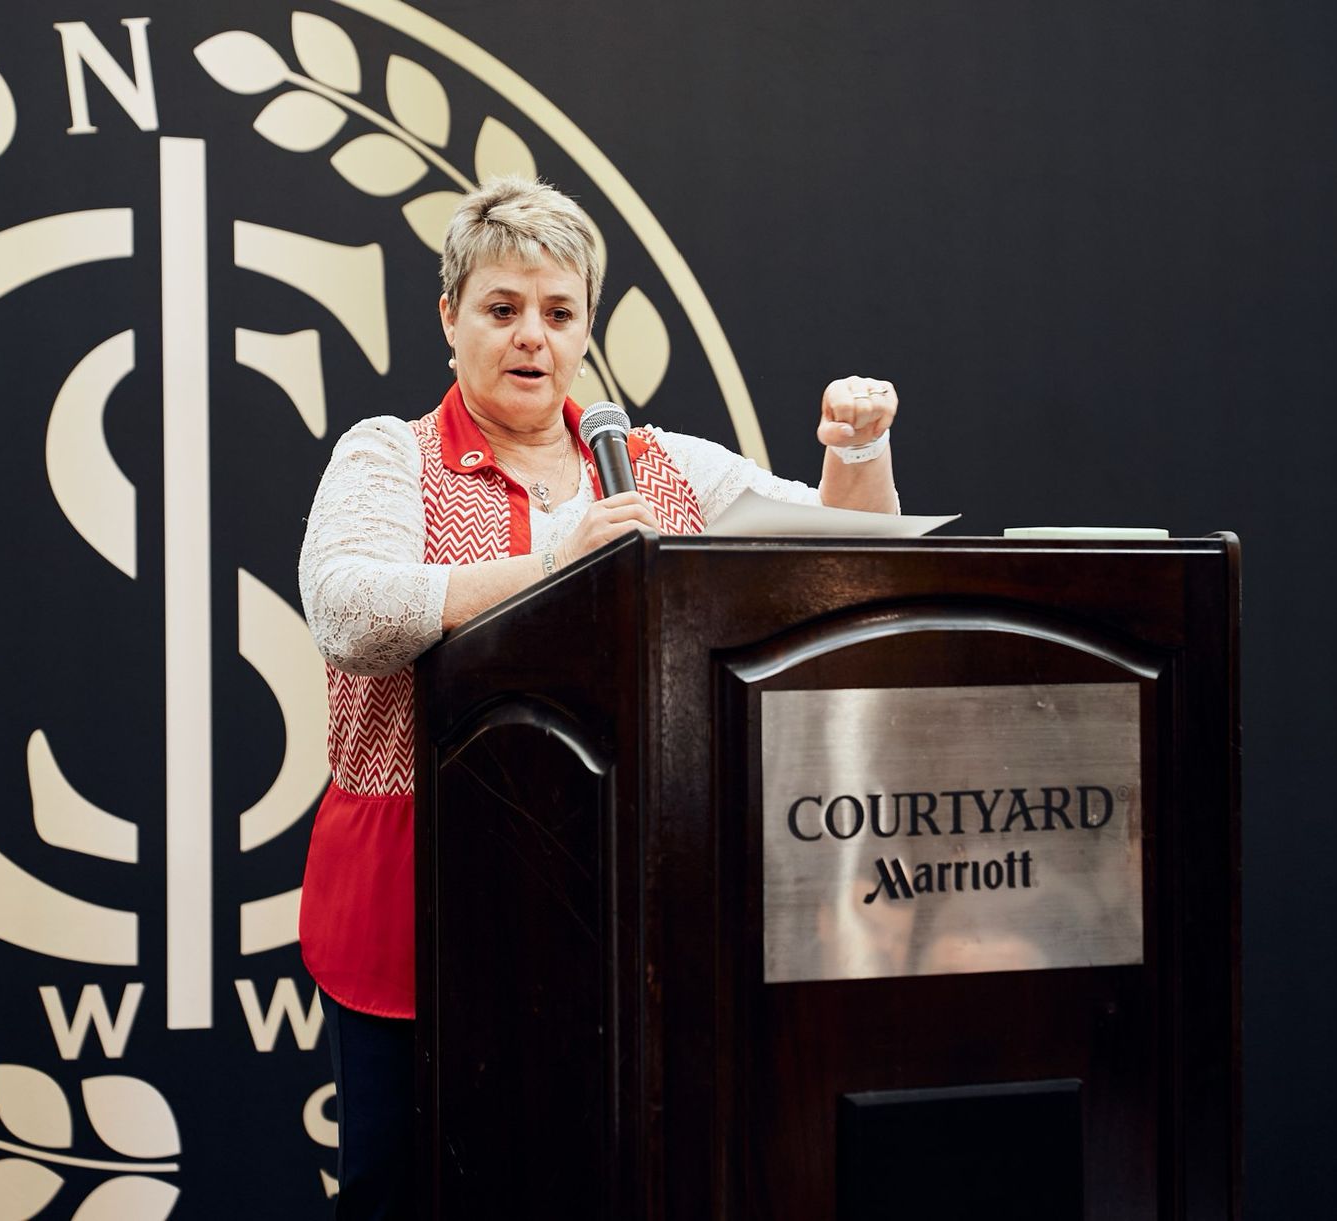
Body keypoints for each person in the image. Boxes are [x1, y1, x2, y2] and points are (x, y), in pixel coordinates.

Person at [295, 175, 901, 1218]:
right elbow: (350, 611)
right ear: (449, 316)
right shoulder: (388, 455)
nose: (533, 337)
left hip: (622, 890)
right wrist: (559, 562)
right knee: (411, 1184)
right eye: (502, 309)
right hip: (424, 892)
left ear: (587, 328)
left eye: (559, 312)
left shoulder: (656, 463)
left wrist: (858, 449)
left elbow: (849, 546)